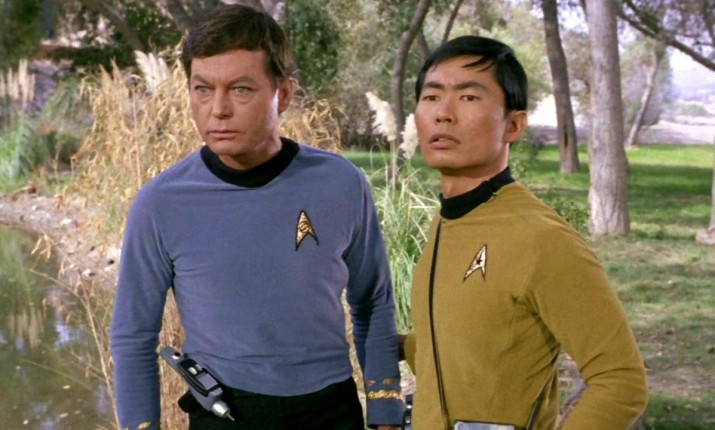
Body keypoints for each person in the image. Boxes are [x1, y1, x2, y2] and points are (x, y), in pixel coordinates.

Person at [109, 5, 403, 430]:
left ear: (283, 94)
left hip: (331, 412)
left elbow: (373, 301)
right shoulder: (160, 203)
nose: (218, 109)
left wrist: (386, 409)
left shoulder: (341, 183)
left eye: (241, 89)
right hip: (224, 414)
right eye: (202, 89)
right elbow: (133, 337)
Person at [400, 36, 648, 430]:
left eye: (468, 97)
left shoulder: (540, 238)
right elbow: (478, 348)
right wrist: (399, 346)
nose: (443, 113)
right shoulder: (448, 221)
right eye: (431, 97)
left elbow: (621, 381)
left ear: (513, 125)